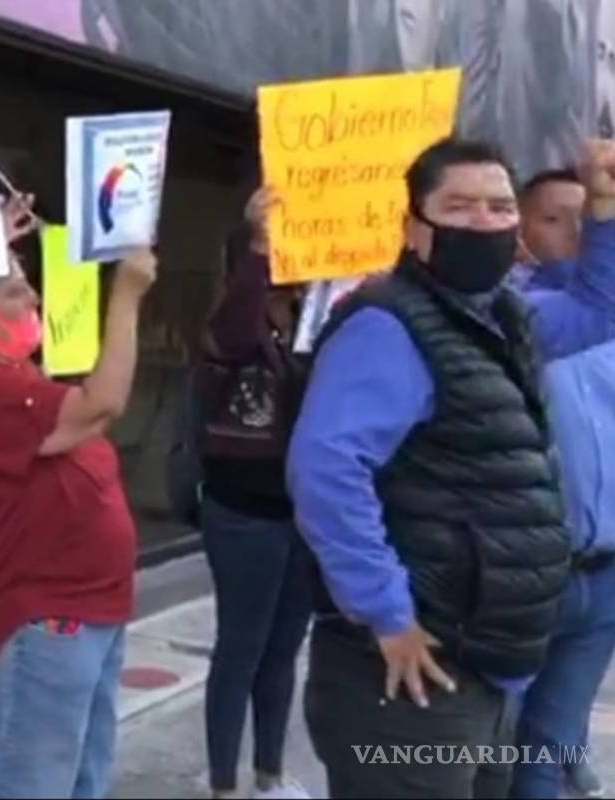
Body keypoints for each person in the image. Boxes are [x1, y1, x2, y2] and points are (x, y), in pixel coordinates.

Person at [287, 136, 615, 799]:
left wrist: (603, 206)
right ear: (415, 228)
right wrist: (386, 613)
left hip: (481, 670)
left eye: (498, 206)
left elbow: (599, 310)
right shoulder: (388, 326)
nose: (484, 221)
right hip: (411, 679)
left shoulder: (503, 318)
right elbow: (326, 469)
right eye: (459, 206)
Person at [0, 242, 157, 799]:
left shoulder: (20, 381)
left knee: (79, 782)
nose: (34, 298)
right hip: (37, 623)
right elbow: (104, 402)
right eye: (16, 290)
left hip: (86, 614)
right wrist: (125, 296)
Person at [197, 188, 312, 800]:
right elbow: (237, 332)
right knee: (241, 646)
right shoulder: (231, 323)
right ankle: (223, 784)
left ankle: (269, 772)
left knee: (285, 647)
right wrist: (259, 244)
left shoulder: (316, 318)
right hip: (243, 513)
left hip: (301, 514)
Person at [509, 168, 615, 800]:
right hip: (525, 572)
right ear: (517, 228)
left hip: (601, 577)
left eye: (586, 215)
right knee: (497, 750)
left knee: (545, 753)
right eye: (554, 217)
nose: (577, 231)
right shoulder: (509, 313)